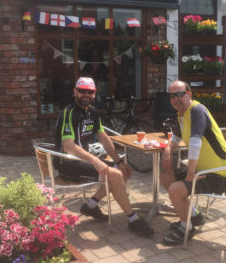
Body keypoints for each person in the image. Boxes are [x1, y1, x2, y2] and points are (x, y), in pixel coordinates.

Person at [55, 77, 154, 237]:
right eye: (82, 91)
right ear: (75, 92)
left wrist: (119, 161)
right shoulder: (69, 113)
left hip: (82, 160)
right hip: (67, 163)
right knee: (114, 175)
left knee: (122, 171)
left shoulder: (92, 112)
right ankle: (133, 219)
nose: (86, 94)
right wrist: (94, 160)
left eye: (90, 92)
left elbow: (104, 138)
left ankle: (91, 205)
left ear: (95, 94)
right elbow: (68, 146)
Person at [160, 80, 226, 245]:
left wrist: (190, 174)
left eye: (179, 94)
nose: (175, 98)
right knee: (166, 177)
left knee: (175, 190)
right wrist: (168, 149)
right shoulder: (182, 114)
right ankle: (194, 215)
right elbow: (175, 138)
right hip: (203, 170)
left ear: (188, 94)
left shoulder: (197, 110)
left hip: (221, 173)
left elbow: (195, 142)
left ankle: (186, 227)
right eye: (172, 95)